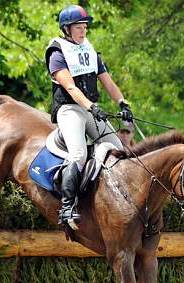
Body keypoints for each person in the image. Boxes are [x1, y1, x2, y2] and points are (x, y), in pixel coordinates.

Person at [45, 4, 133, 229]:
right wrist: (92, 106)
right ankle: (67, 208)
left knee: (120, 151)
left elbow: (107, 79)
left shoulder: (89, 50)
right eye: (78, 27)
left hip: (89, 109)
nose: (83, 31)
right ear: (67, 28)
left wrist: (122, 102)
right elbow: (71, 88)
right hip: (70, 109)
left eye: (85, 27)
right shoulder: (57, 52)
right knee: (79, 154)